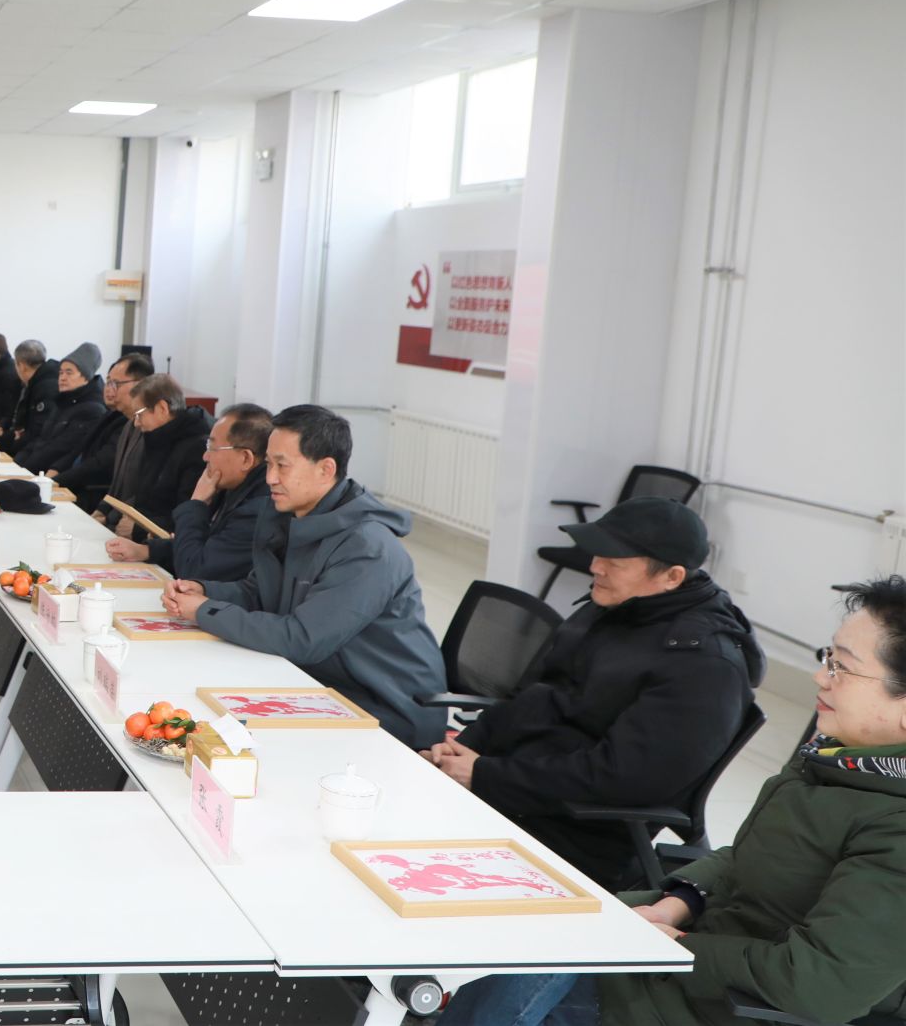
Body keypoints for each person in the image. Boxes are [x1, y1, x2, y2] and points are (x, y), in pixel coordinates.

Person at [436, 578, 906, 1026]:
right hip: (686, 958)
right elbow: (746, 856)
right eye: (828, 657)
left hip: (716, 1003)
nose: (820, 676)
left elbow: (820, 984)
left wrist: (679, 947)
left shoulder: (891, 824)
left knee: (524, 971)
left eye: (843, 667)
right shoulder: (834, 761)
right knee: (535, 928)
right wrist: (681, 900)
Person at [426, 498, 762, 888]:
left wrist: (486, 775)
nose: (595, 567)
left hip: (574, 833)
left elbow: (622, 778)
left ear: (671, 577)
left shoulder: (703, 666)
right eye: (598, 554)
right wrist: (461, 751)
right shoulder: (615, 607)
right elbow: (530, 697)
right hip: (515, 790)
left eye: (615, 562)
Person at [160, 404, 446, 748]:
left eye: (282, 466)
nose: (270, 478)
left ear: (326, 469)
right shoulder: (291, 515)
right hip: (318, 682)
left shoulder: (367, 547)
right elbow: (260, 592)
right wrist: (204, 590)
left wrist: (204, 611)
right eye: (269, 464)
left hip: (383, 706)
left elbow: (303, 639)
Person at [110, 404, 275, 586]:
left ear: (245, 458)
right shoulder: (232, 486)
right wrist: (145, 551)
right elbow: (202, 544)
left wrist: (197, 502)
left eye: (212, 447)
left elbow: (195, 569)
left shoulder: (257, 510)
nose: (205, 456)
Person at [53, 352, 151, 512]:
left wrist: (57, 481)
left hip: (93, 495)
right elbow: (79, 449)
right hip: (97, 501)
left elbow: (101, 464)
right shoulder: (114, 416)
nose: (109, 389)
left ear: (139, 385)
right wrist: (55, 473)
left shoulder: (137, 425)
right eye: (108, 382)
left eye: (116, 383)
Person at [116, 374, 212, 534]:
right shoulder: (156, 439)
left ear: (162, 408)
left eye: (139, 414)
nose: (136, 423)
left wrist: (138, 529)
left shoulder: (196, 450)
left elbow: (187, 512)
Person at [18, 343, 108, 476]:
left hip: (52, 475)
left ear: (86, 377)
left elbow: (59, 449)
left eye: (69, 373)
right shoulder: (62, 401)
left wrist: (24, 470)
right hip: (35, 469)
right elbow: (40, 440)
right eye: (61, 372)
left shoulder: (92, 410)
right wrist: (17, 464)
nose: (62, 378)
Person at [0, 339, 52, 455]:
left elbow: (37, 432)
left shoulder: (44, 388)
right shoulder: (34, 382)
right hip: (23, 440)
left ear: (22, 366)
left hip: (34, 450)